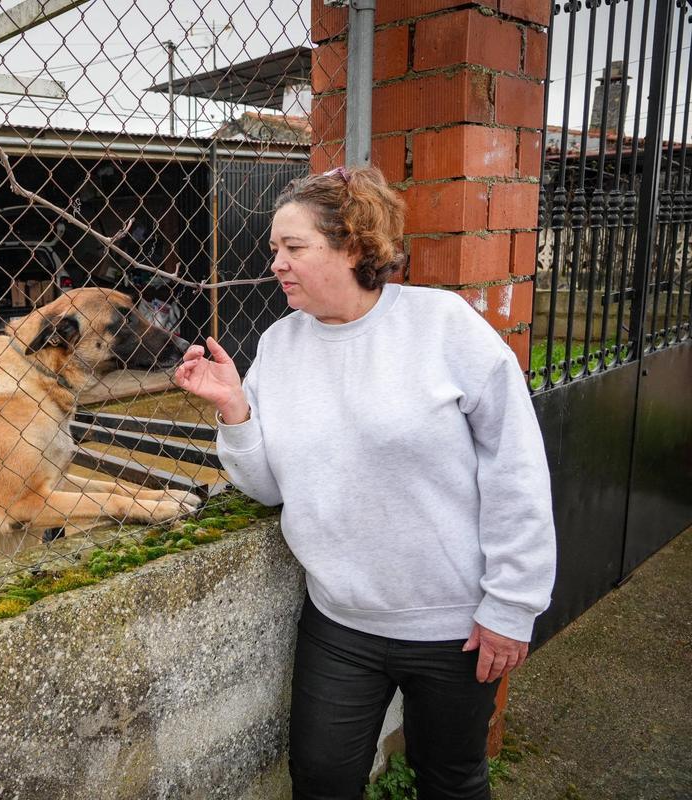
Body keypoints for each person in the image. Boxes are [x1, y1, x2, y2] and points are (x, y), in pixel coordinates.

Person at [174, 166, 556, 800]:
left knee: (451, 780)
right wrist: (235, 410)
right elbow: (268, 489)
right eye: (275, 248)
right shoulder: (279, 344)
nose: (276, 263)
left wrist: (512, 606)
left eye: (293, 247)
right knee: (320, 779)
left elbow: (516, 470)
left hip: (455, 627)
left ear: (353, 246)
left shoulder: (443, 326)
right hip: (340, 622)